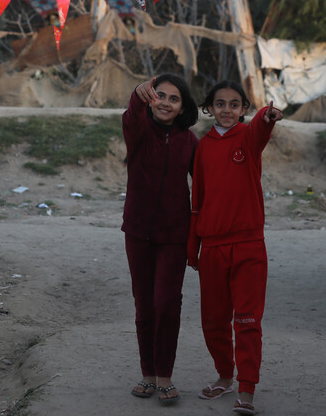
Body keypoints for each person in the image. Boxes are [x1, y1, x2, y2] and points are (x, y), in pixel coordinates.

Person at [187, 80, 283, 416]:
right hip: (212, 247)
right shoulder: (202, 147)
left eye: (234, 104)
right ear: (209, 108)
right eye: (220, 104)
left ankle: (247, 389)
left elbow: (261, 128)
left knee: (246, 320)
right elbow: (197, 199)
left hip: (248, 244)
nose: (226, 109)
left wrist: (267, 116)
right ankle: (225, 376)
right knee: (213, 320)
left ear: (243, 108)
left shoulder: (249, 138)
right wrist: (193, 246)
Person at [122, 74, 199, 406]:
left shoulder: (190, 141)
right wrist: (136, 98)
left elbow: (206, 183)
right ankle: (148, 374)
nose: (166, 102)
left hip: (173, 235)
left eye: (174, 98)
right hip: (137, 231)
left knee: (166, 304)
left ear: (183, 107)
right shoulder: (139, 133)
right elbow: (130, 118)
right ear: (151, 99)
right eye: (160, 95)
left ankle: (165, 375)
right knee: (144, 305)